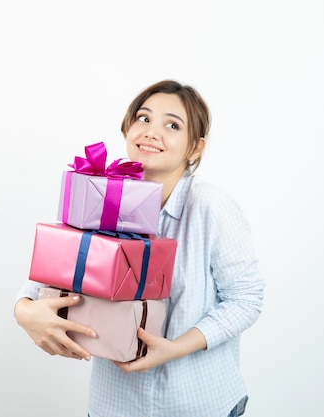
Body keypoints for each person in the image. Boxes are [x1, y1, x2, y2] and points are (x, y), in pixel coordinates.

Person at [14, 80, 265, 417]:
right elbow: (44, 277)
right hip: (115, 406)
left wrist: (174, 348)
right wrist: (24, 312)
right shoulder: (99, 197)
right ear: (128, 129)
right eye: (143, 119)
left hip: (197, 405)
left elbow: (246, 299)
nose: (151, 131)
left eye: (172, 125)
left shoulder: (211, 206)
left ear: (195, 147)